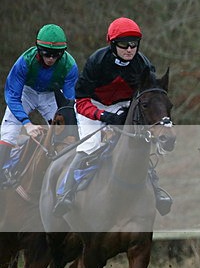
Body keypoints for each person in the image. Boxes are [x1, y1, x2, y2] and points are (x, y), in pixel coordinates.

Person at [52, 17, 172, 216]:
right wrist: (103, 115)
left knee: (139, 143)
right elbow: (81, 101)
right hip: (92, 105)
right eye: (124, 44)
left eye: (134, 44)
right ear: (113, 44)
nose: (130, 49)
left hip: (122, 105)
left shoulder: (143, 64)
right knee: (90, 146)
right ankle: (67, 193)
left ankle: (157, 191)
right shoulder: (97, 62)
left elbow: (149, 93)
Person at [1, 24, 78, 182]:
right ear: (38, 49)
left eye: (56, 55)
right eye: (46, 53)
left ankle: (65, 179)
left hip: (50, 96)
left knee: (67, 133)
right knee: (9, 133)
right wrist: (27, 124)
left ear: (63, 52)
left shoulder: (70, 66)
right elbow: (12, 96)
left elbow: (70, 103)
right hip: (26, 93)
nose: (51, 59)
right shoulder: (25, 61)